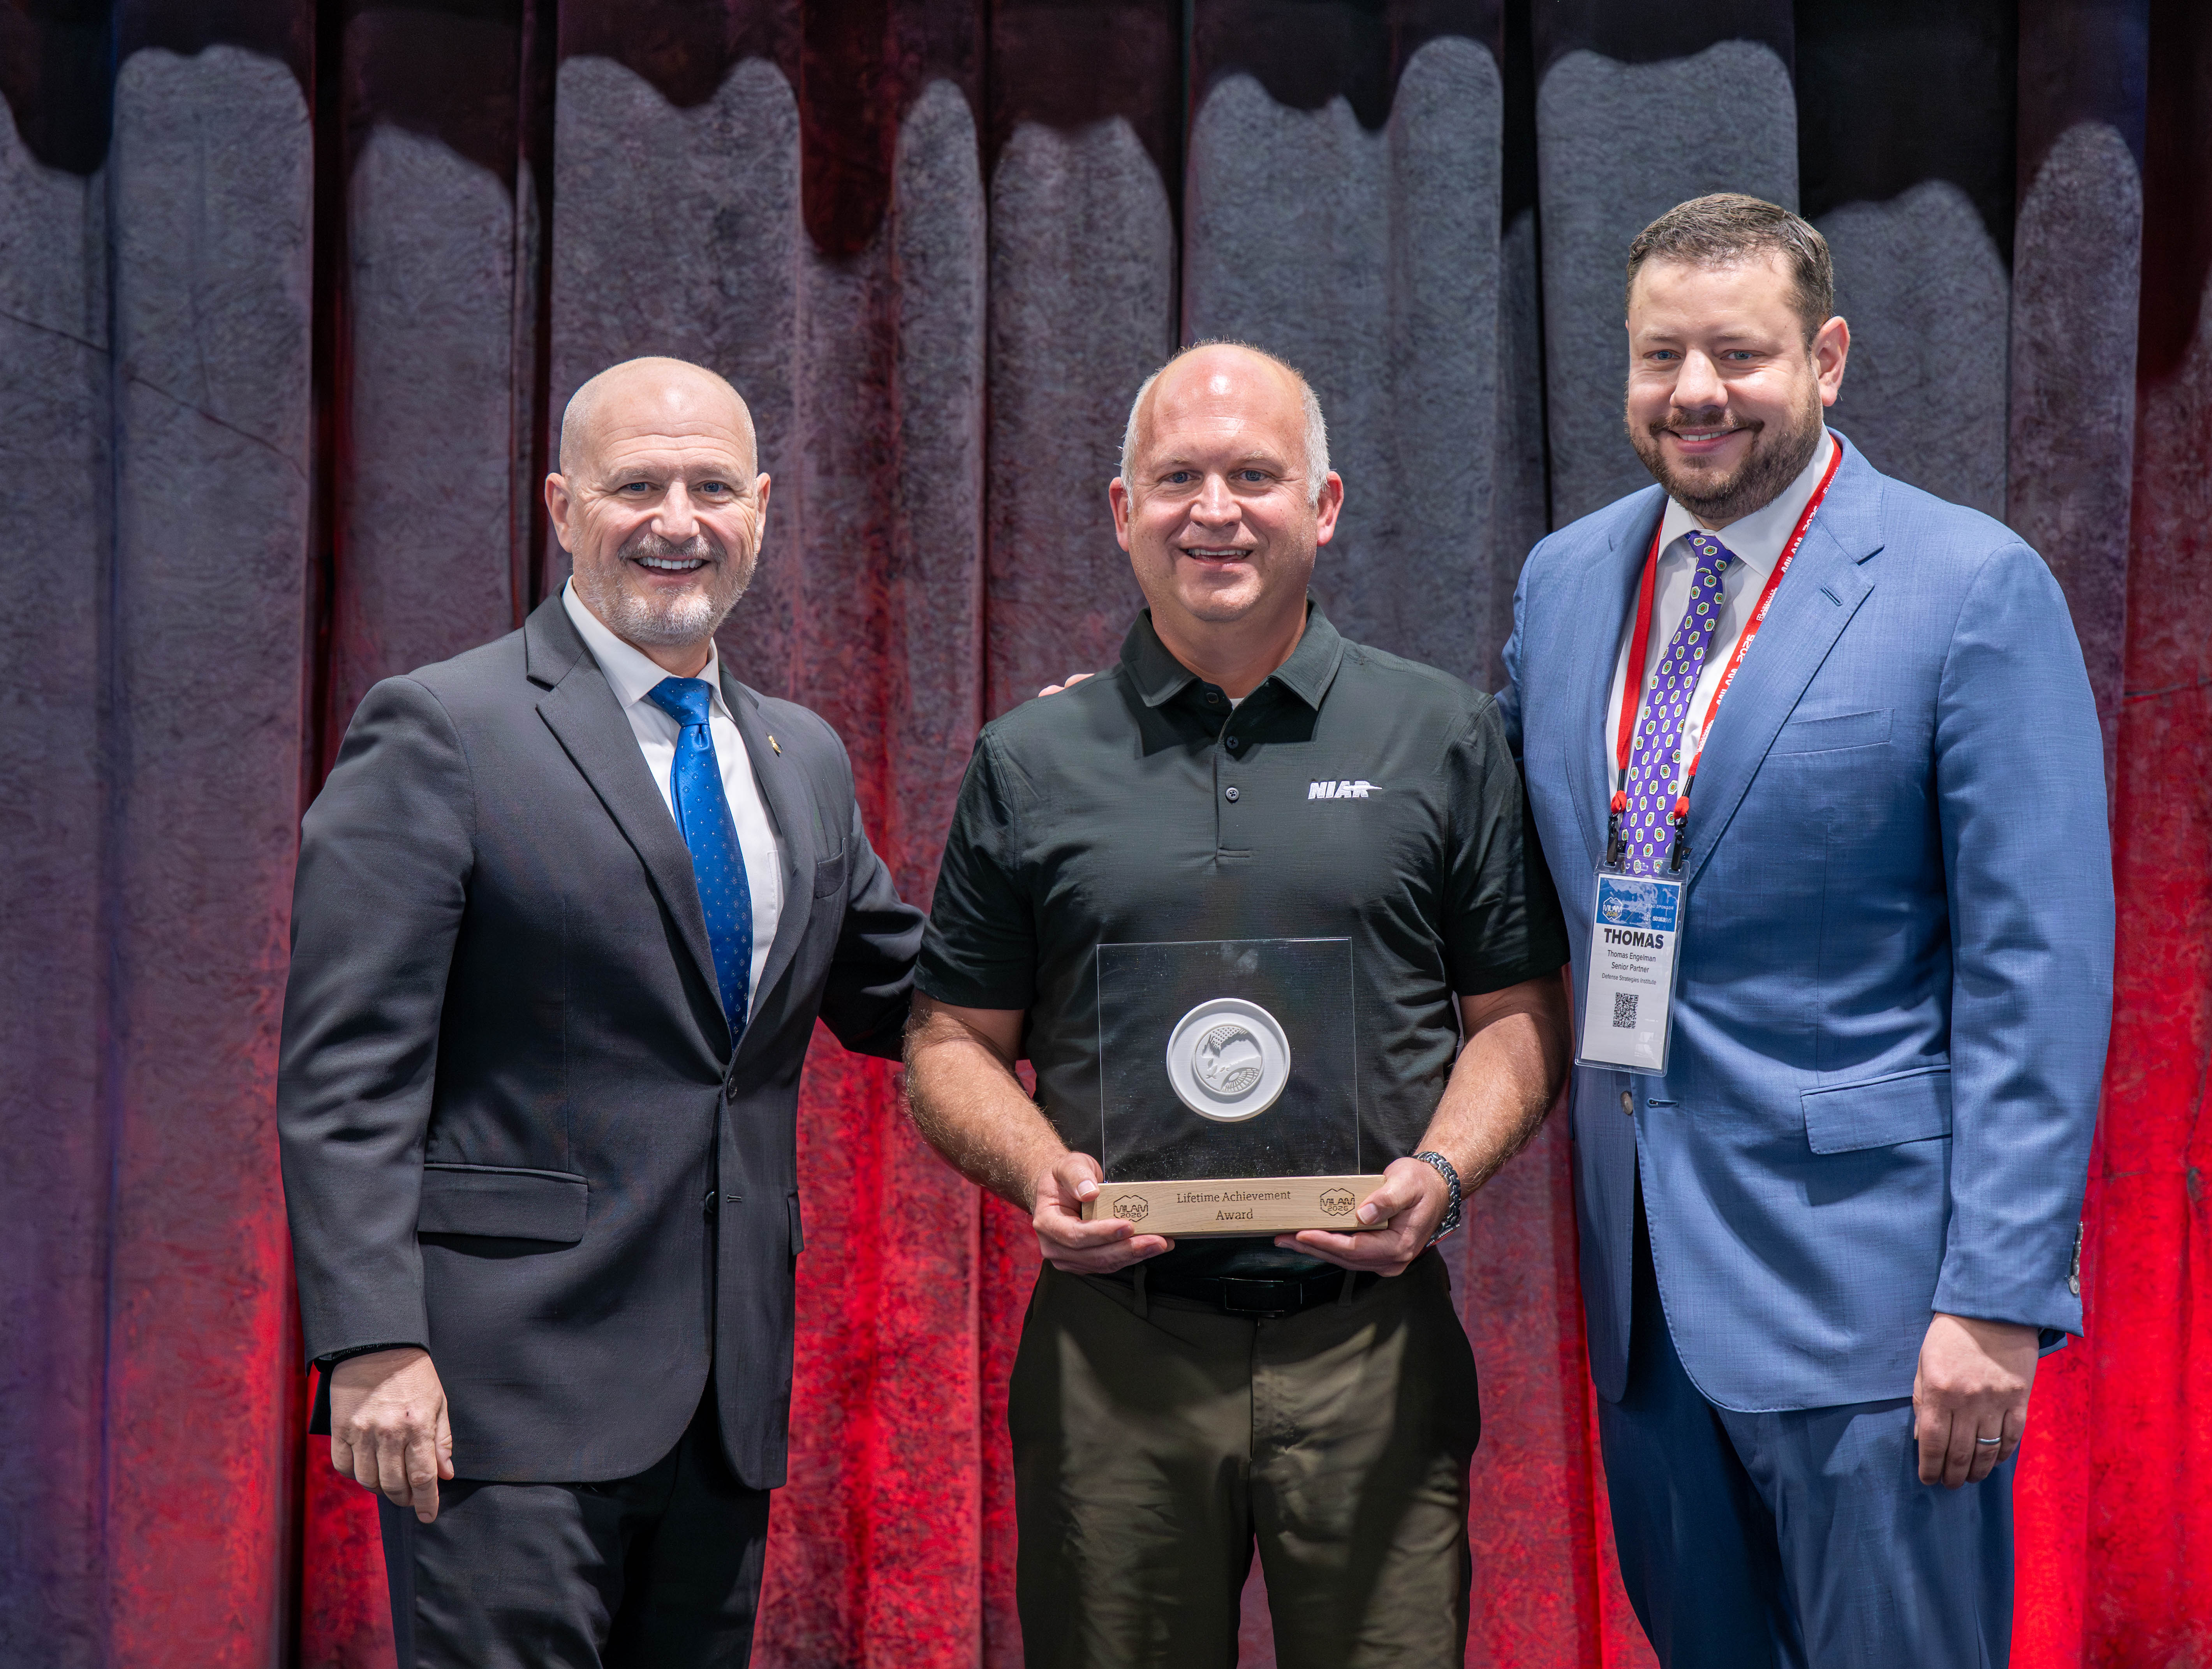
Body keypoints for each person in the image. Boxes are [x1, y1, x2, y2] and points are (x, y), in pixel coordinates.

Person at [1498, 196, 2113, 1665]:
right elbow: (1480, 842)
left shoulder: (1968, 587)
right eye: (1660, 356)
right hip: (1644, 1297)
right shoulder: (1568, 580)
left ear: (1826, 357)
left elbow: (2042, 969)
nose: (1694, 393)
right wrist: (1199, 734)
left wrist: (1998, 1299)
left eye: (1738, 354)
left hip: (1881, 1309)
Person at [903, 341, 1572, 1667]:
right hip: (1116, 1357)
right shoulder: (1029, 760)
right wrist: (1041, 1172)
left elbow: (1519, 1014)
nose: (1215, 509)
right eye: (1178, 478)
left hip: (1371, 1347)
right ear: (1120, 512)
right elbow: (946, 1041)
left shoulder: (1438, 736)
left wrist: (1441, 1173)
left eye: (1254, 476)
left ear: (1322, 507)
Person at [277, 356, 924, 1667]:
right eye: (636, 485)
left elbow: (907, 993)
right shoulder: (441, 729)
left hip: (723, 1409)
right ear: (563, 506)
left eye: (711, 487)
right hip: (495, 1399)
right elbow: (348, 1073)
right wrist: (371, 1339)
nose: (675, 519)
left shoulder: (801, 756)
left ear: (762, 509)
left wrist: (1055, 822)